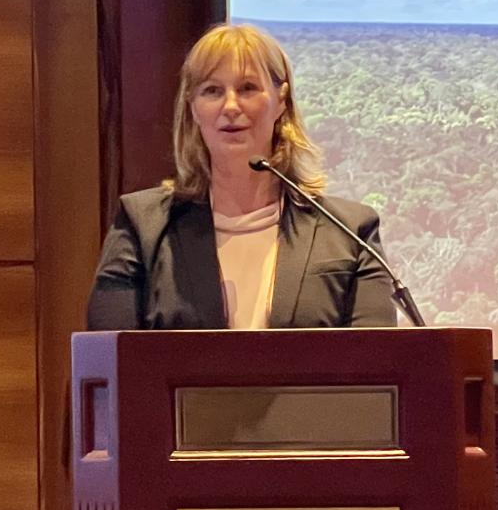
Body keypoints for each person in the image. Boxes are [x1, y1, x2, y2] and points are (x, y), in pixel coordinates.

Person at [87, 23, 396, 330]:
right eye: (212, 91)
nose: (231, 106)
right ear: (193, 108)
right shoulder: (143, 226)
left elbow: (377, 367)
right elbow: (109, 366)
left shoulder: (351, 232)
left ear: (281, 102)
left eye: (247, 88)